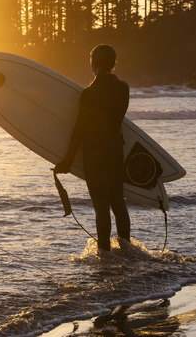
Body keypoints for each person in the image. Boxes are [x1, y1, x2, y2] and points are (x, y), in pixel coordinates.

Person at [54, 44, 130, 252]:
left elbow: (79, 130)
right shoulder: (123, 88)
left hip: (95, 153)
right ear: (114, 63)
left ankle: (104, 253)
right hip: (115, 150)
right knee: (118, 202)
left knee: (101, 205)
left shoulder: (89, 94)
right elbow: (118, 120)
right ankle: (126, 250)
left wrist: (67, 160)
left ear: (93, 64)